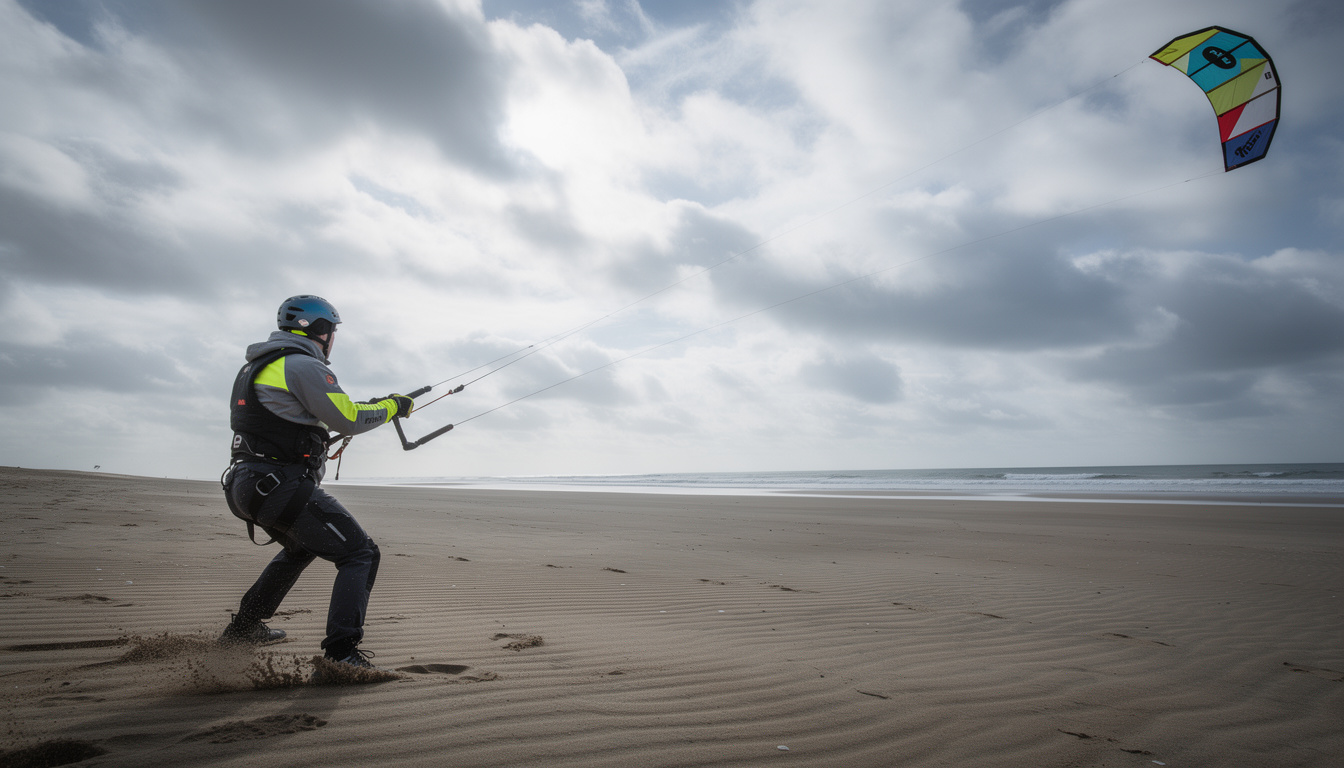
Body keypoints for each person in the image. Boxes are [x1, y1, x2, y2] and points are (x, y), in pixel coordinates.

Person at [219, 295, 412, 672]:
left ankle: (244, 628)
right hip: (278, 487)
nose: (334, 338)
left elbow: (295, 420)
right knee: (360, 553)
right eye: (333, 331)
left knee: (300, 547)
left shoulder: (258, 366)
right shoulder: (302, 364)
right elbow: (350, 419)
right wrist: (392, 406)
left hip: (247, 485)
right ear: (320, 331)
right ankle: (342, 654)